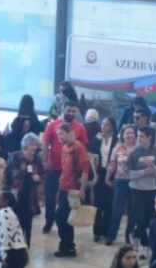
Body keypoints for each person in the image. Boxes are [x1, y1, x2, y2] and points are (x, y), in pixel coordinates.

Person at [41, 103, 88, 234]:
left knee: (66, 202)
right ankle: (49, 221)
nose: (71, 113)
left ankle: (65, 227)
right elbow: (45, 142)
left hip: (71, 171)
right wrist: (44, 160)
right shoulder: (52, 125)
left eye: (73, 111)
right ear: (63, 110)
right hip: (53, 167)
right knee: (50, 197)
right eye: (69, 111)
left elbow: (84, 146)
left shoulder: (80, 127)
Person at [126, 125, 156, 257]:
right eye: (138, 136)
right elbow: (127, 174)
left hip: (152, 189)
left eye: (142, 136)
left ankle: (135, 234)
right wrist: (143, 172)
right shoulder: (133, 153)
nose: (139, 139)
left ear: (149, 138)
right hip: (136, 189)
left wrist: (153, 168)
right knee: (140, 219)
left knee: (150, 220)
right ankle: (146, 245)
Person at [55, 121, 90, 258]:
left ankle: (68, 246)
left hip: (73, 190)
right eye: (58, 135)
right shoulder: (65, 148)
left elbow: (85, 170)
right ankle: (68, 247)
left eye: (62, 134)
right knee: (64, 219)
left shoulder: (78, 147)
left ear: (70, 133)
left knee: (61, 217)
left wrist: (82, 190)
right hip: (63, 187)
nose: (59, 137)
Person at [5, 132, 45, 250]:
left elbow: (44, 175)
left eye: (35, 145)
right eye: (31, 144)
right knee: (14, 222)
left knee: (27, 224)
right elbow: (6, 175)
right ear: (25, 144)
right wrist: (5, 192)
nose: (34, 147)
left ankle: (25, 247)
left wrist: (39, 178)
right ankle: (13, 247)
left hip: (30, 196)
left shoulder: (37, 160)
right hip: (16, 195)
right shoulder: (15, 156)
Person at [106, 124, 137, 246]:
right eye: (127, 133)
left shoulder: (139, 148)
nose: (129, 135)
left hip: (135, 182)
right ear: (122, 135)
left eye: (132, 133)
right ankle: (111, 236)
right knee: (117, 210)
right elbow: (112, 163)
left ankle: (129, 237)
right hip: (120, 181)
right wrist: (108, 177)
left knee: (133, 211)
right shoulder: (117, 147)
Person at [89, 116, 118, 242]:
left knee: (109, 204)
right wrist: (96, 140)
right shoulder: (97, 138)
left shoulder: (116, 140)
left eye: (106, 124)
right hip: (99, 172)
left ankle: (106, 230)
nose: (103, 127)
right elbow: (91, 152)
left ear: (112, 127)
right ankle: (97, 231)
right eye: (103, 124)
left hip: (111, 172)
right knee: (98, 203)